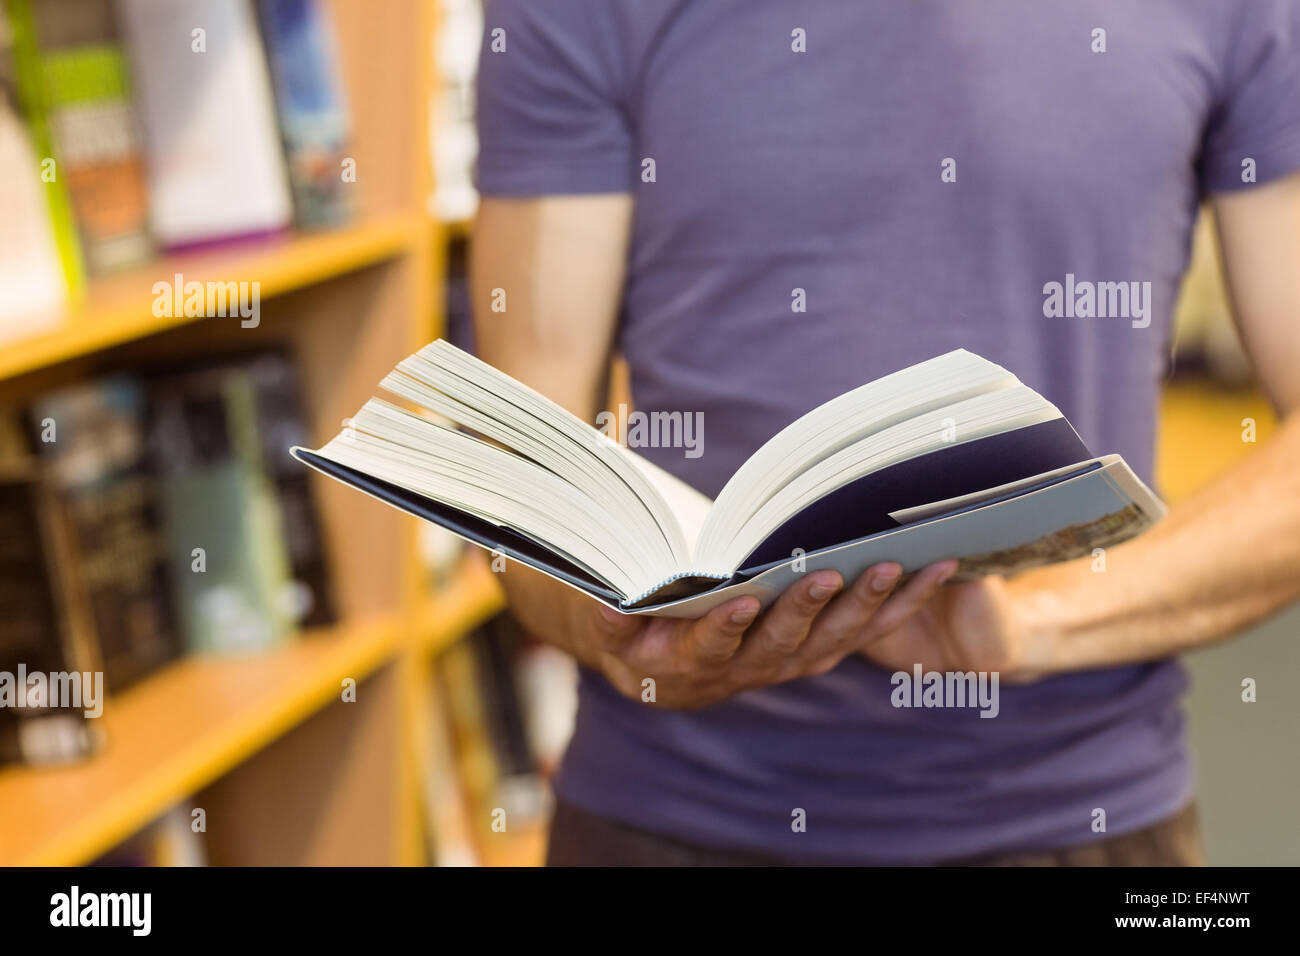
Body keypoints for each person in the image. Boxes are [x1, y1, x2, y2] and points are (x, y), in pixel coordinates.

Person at [469, 0, 1300, 865]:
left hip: (1082, 811)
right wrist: (624, 629)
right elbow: (526, 457)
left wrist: (1038, 624)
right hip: (670, 811)